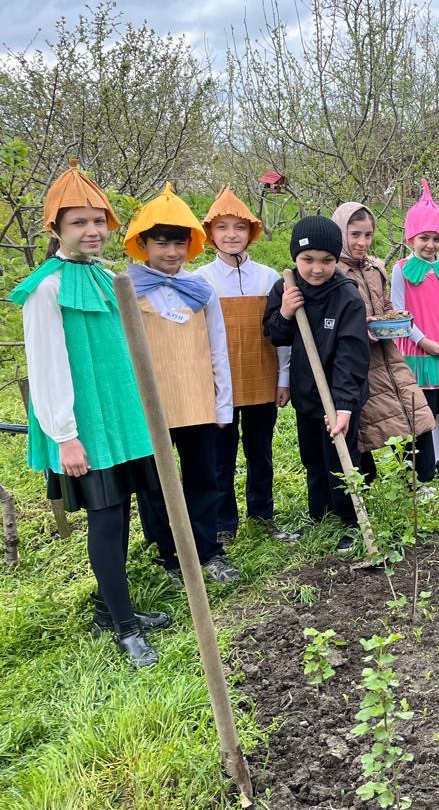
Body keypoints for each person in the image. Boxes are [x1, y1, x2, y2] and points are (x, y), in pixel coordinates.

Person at [9, 159, 171, 668]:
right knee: (105, 519)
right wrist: (65, 435)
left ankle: (112, 607)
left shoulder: (104, 278)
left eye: (98, 220)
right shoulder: (47, 288)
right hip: (86, 427)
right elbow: (48, 365)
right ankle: (122, 626)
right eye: (79, 222)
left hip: (121, 418)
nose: (93, 230)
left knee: (121, 512)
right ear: (55, 228)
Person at [124, 183, 240, 585]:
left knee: (204, 476)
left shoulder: (201, 290)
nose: (171, 252)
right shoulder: (125, 290)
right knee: (156, 484)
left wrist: (223, 403)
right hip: (151, 405)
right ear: (143, 244)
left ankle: (208, 549)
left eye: (178, 244)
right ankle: (170, 555)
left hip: (196, 400)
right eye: (161, 243)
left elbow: (218, 350)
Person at [195, 186, 297, 544]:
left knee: (261, 452)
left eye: (239, 227)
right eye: (222, 227)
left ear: (251, 232)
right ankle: (224, 524)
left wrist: (283, 378)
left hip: (262, 377)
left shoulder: (269, 277)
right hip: (219, 383)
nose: (231, 235)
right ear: (211, 234)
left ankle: (263, 514)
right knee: (221, 457)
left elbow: (282, 333)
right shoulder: (200, 280)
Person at [264, 216, 370, 552]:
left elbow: (351, 356)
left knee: (341, 458)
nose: (316, 269)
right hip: (306, 394)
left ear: (336, 261)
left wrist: (343, 406)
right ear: (295, 258)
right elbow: (273, 334)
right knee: (313, 457)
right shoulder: (286, 288)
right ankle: (321, 515)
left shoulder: (347, 297)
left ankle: (351, 521)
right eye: (307, 260)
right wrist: (283, 312)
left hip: (340, 397)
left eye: (326, 260)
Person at [332, 201, 436, 485]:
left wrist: (395, 318)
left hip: (388, 355)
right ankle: (361, 486)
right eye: (354, 234)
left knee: (413, 412)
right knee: (367, 421)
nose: (362, 242)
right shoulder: (334, 273)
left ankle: (419, 480)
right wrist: (359, 329)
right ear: (341, 233)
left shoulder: (376, 268)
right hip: (357, 361)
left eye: (367, 235)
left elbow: (385, 304)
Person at [391, 181, 439, 481]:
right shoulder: (401, 269)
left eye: (437, 239)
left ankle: (435, 460)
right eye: (424, 238)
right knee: (415, 410)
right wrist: (424, 342)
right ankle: (411, 465)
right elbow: (400, 313)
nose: (430, 245)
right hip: (416, 353)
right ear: (412, 237)